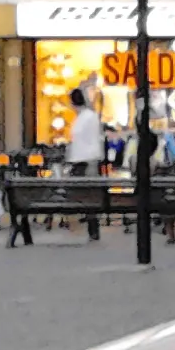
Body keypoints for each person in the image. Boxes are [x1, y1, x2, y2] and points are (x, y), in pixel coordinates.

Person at [66, 89, 105, 241]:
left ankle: (92, 227)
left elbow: (89, 140)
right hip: (83, 159)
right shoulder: (85, 117)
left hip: (86, 160)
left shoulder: (86, 118)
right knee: (86, 196)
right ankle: (91, 226)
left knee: (89, 196)